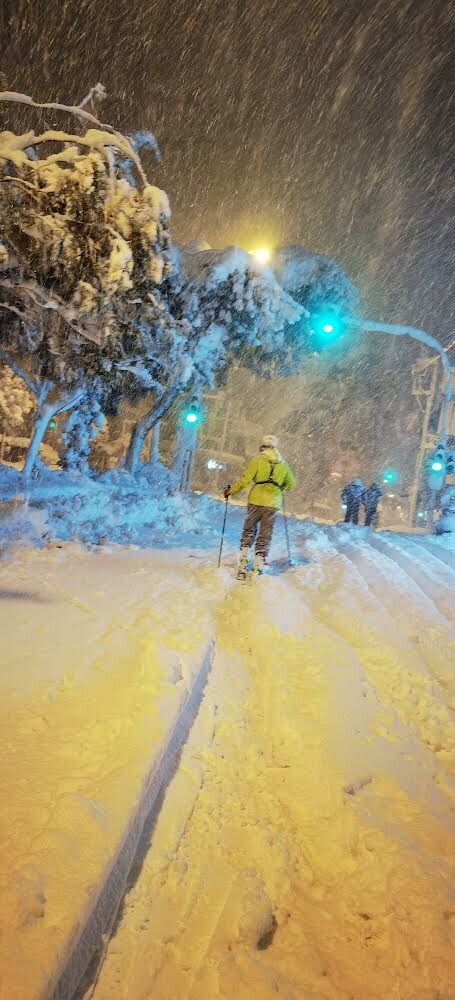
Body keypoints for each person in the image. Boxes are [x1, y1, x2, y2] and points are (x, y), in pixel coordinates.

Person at [224, 435, 295, 577]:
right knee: (265, 534)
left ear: (262, 446)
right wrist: (280, 487)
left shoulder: (258, 460)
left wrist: (230, 491)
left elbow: (245, 480)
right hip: (273, 503)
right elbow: (291, 484)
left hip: (256, 500)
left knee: (249, 529)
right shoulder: (283, 464)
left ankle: (243, 560)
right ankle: (257, 565)